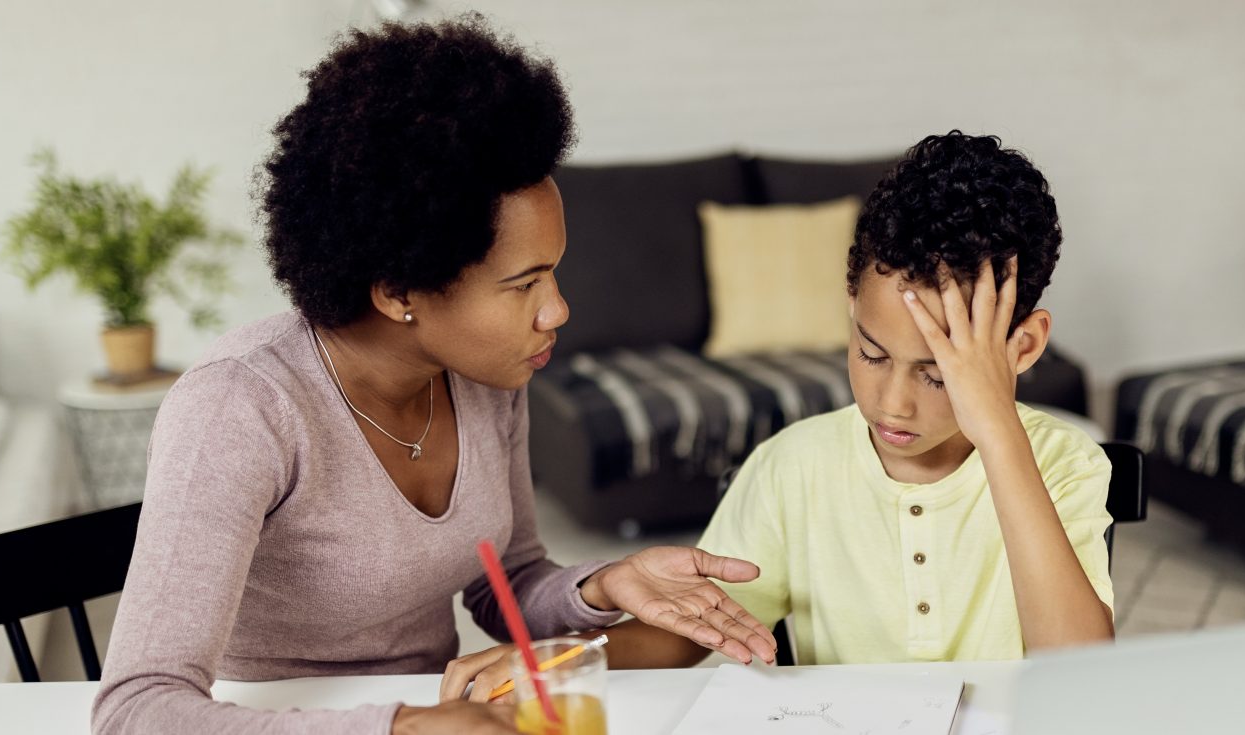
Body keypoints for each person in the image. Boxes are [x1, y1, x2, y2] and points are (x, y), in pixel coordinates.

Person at [92, 17, 774, 735]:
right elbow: (139, 709)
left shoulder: (486, 376)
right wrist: (402, 725)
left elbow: (505, 581)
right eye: (523, 284)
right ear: (399, 290)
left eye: (555, 272)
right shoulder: (240, 406)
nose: (558, 310)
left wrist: (603, 585)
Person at [499, 131, 1114, 678]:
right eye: (872, 355)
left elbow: (1081, 671)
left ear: (1024, 346)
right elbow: (688, 640)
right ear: (851, 307)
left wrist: (1000, 434)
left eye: (940, 376)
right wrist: (555, 662)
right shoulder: (792, 468)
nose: (892, 404)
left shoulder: (1065, 465)